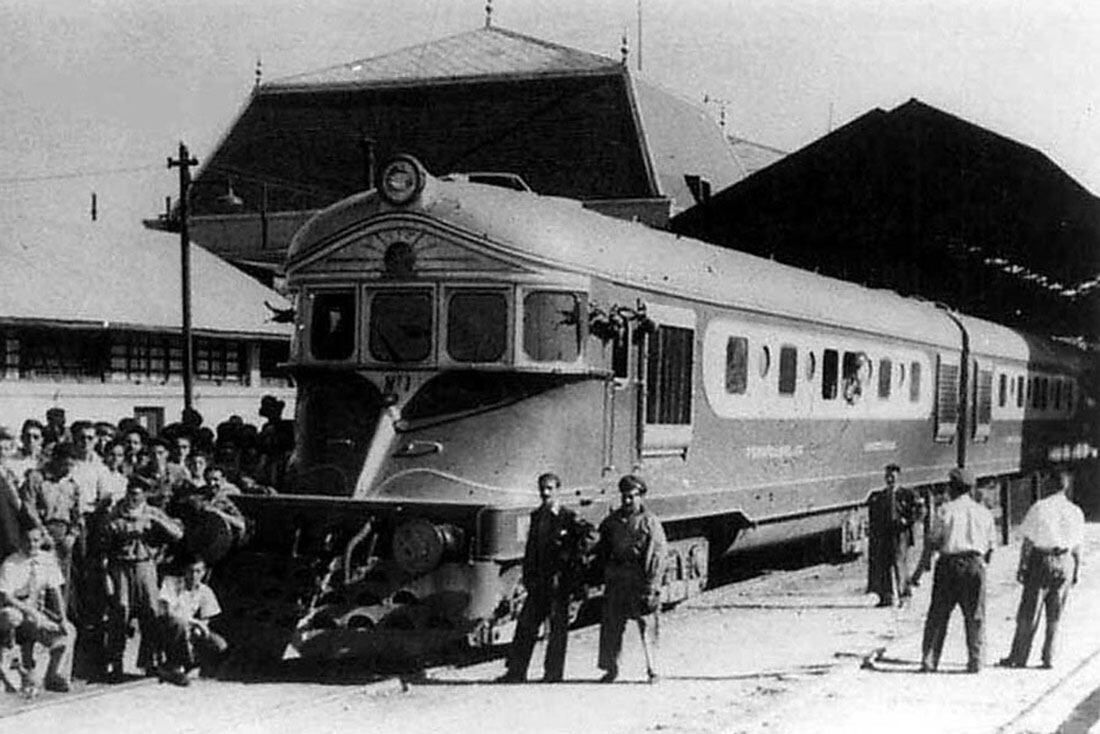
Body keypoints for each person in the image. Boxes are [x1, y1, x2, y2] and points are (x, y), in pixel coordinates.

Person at [498, 473, 590, 683]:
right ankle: (516, 672)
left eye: (549, 488)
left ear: (558, 490)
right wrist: (528, 575)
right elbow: (531, 549)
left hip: (559, 582)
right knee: (526, 626)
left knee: (557, 630)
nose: (545, 492)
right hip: (539, 581)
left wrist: (571, 557)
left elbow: (590, 536)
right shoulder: (537, 516)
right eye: (542, 488)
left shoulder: (568, 516)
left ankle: (553, 674)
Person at [999, 471, 1084, 670]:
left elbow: (1028, 541)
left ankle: (1019, 657)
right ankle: (1049, 657)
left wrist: (1022, 565)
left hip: (1041, 559)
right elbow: (1078, 547)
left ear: (1049, 485)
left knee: (1030, 611)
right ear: (1065, 487)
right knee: (1055, 613)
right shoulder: (1075, 511)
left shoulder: (1039, 507)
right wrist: (1076, 570)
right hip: (1065, 560)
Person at [101, 479, 184, 681]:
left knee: (151, 611)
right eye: (131, 493)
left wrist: (157, 523)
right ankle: (116, 662)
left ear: (144, 495)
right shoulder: (116, 512)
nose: (133, 497)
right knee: (121, 610)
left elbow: (177, 533)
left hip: (145, 564)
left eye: (138, 494)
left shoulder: (152, 512)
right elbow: (103, 542)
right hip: (121, 564)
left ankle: (149, 660)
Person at [919, 467, 996, 674]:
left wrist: (919, 572)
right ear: (971, 489)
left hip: (949, 565)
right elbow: (990, 547)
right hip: (975, 565)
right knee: (975, 616)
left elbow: (933, 542)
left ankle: (930, 660)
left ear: (952, 487)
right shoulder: (984, 513)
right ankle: (976, 661)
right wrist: (981, 566)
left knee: (938, 615)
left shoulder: (945, 510)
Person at [595, 474, 667, 683]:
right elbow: (602, 549)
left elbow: (657, 554)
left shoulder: (649, 522)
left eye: (632, 496)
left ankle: (653, 669)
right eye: (624, 497)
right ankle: (611, 668)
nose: (627, 501)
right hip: (617, 580)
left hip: (640, 581)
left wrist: (652, 586)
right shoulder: (612, 522)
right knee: (611, 625)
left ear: (641, 496)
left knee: (647, 625)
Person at [0, 524, 75, 695]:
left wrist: (62, 618)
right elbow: (6, 597)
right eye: (27, 541)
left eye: (35, 540)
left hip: (36, 612)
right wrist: (31, 612)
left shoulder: (47, 560)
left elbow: (55, 591)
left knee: (68, 631)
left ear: (41, 541)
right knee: (10, 616)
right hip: (15, 610)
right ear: (20, 541)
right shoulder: (11, 563)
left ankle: (55, 676)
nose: (31, 544)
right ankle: (7, 650)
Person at [155, 554, 228, 686]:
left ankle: (194, 665)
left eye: (198, 571)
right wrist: (195, 623)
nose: (194, 575)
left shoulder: (205, 591)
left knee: (219, 644)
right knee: (180, 624)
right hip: (169, 628)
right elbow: (169, 613)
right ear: (185, 571)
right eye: (191, 571)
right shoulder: (171, 583)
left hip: (190, 628)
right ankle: (173, 665)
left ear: (204, 573)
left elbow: (206, 618)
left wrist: (200, 629)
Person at [866, 464, 923, 607]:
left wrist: (908, 521)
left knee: (900, 564)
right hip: (885, 535)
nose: (890, 479)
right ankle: (886, 597)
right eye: (887, 476)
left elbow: (919, 512)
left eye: (892, 476)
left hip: (900, 534)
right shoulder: (880, 496)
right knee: (884, 564)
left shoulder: (907, 494)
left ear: (899, 477)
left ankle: (904, 596)